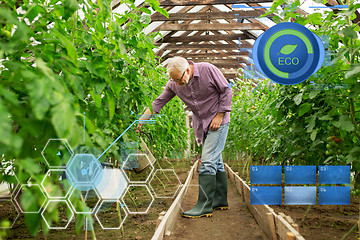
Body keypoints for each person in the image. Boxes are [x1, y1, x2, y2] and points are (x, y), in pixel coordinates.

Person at [135, 56, 232, 218]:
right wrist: (140, 122)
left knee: (207, 161)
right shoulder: (174, 83)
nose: (177, 84)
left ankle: (204, 206)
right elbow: (157, 103)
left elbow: (226, 90)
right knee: (216, 160)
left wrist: (220, 115)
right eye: (173, 80)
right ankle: (220, 200)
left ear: (187, 70)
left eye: (179, 80)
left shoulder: (208, 70)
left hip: (218, 122)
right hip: (202, 124)